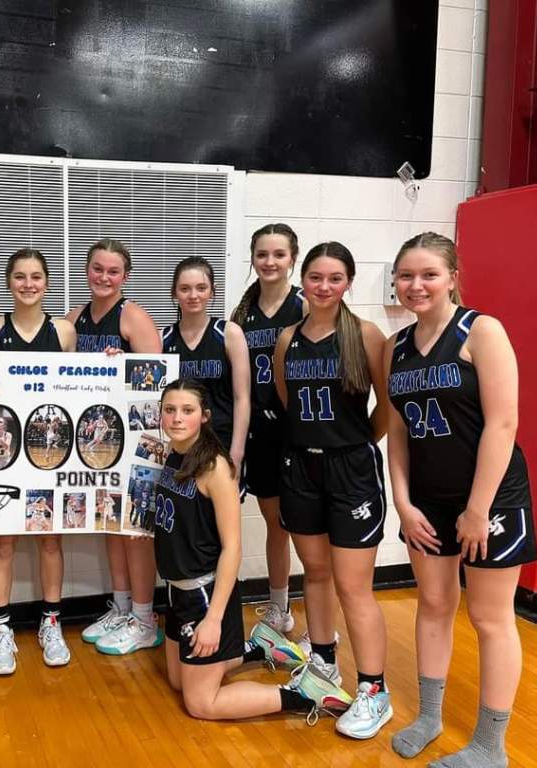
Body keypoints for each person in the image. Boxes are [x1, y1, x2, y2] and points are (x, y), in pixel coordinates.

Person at [386, 233, 537, 767]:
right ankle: (429, 716)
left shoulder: (482, 331)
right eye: (406, 275)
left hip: (492, 499)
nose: (416, 285)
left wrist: (477, 510)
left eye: (429, 274)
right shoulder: (396, 346)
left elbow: (503, 424)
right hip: (427, 501)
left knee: (490, 618)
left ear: (452, 277)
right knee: (432, 604)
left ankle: (491, 746)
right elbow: (398, 432)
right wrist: (403, 504)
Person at [154, 379, 350, 721]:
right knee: (177, 681)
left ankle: (305, 692)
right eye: (170, 410)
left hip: (204, 593)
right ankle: (259, 648)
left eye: (187, 410)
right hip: (177, 590)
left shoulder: (215, 467)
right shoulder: (174, 455)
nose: (177, 418)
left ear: (204, 416)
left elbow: (233, 549)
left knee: (201, 704)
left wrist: (214, 619)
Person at [272, 241, 393, 739]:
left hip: (351, 470)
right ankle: (323, 663)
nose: (324, 286)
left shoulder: (365, 335)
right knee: (316, 573)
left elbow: (387, 406)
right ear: (303, 280)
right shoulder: (287, 339)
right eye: (316, 277)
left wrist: (354, 444)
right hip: (301, 466)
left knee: (353, 585)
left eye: (335, 278)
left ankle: (374, 690)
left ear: (348, 283)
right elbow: (286, 399)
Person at [0, 248, 76, 674]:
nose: (28, 284)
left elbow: (75, 390)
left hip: (48, 454)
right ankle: (1, 628)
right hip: (3, 455)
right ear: (8, 281)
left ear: (47, 282)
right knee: (3, 542)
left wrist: (108, 365)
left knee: (50, 540)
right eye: (20, 276)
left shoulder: (64, 331)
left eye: (36, 276)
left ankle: (51, 622)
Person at [66, 239, 166, 657]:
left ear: (125, 276)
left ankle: (144, 619)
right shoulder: (74, 318)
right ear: (86, 270)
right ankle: (123, 608)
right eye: (97, 268)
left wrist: (123, 365)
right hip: (97, 444)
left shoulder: (133, 316)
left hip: (135, 442)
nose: (104, 277)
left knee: (135, 532)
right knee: (110, 523)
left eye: (113, 271)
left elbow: (158, 382)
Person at [230, 224, 308, 640]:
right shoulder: (242, 313)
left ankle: (323, 623)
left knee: (309, 531)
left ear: (293, 258)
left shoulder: (305, 305)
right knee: (276, 525)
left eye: (279, 254)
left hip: (298, 431)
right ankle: (280, 607)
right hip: (260, 431)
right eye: (262, 254)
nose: (270, 262)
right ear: (253, 258)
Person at [162, 257, 251, 468]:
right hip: (179, 444)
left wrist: (237, 453)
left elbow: (242, 398)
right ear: (174, 292)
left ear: (212, 291)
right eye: (185, 289)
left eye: (201, 288)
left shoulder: (229, 333)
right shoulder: (162, 338)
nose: (193, 295)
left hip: (221, 442)